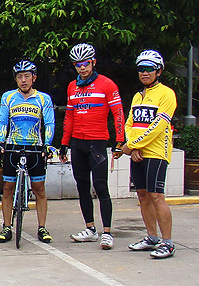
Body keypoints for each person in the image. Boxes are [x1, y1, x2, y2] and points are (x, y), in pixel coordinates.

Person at [61, 43, 125, 250]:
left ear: (93, 62)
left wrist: (119, 140)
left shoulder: (107, 84)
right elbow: (69, 116)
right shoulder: (72, 86)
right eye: (78, 64)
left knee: (101, 187)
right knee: (82, 187)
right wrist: (64, 143)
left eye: (86, 64)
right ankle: (90, 229)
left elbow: (118, 113)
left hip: (97, 142)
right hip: (77, 143)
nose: (82, 68)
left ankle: (107, 232)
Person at [121, 50, 176, 259]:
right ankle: (152, 237)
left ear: (158, 71)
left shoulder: (167, 94)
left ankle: (167, 243)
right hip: (138, 152)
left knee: (156, 196)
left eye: (149, 69)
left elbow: (159, 126)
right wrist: (133, 147)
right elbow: (130, 123)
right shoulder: (138, 96)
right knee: (142, 196)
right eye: (141, 69)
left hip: (157, 153)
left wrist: (133, 145)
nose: (144, 73)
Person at [0, 60, 55, 244]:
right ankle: (7, 227)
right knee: (8, 188)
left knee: (39, 189)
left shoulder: (43, 98)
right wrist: (0, 142)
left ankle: (42, 227)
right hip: (12, 146)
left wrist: (47, 144)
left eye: (26, 76)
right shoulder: (8, 97)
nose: (23, 80)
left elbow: (49, 123)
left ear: (33, 78)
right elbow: (3, 121)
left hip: (34, 147)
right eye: (19, 77)